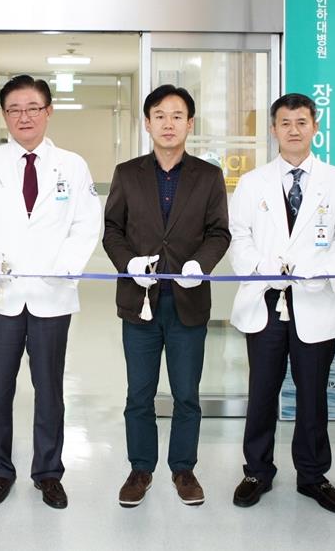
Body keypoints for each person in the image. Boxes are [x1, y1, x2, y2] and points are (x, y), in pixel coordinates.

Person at [0, 74, 101, 509]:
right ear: (4, 115)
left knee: (50, 389)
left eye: (32, 108)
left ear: (48, 111)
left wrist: (65, 267)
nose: (24, 117)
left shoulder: (72, 166)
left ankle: (48, 473)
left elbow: (87, 224)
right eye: (15, 110)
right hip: (0, 294)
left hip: (51, 295)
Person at [228, 93, 335, 514]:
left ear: (315, 127)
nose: (293, 130)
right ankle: (257, 471)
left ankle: (313, 475)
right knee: (262, 391)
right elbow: (238, 236)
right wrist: (263, 267)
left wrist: (322, 272)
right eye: (285, 123)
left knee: (313, 393)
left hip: (315, 298)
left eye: (301, 122)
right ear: (273, 130)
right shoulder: (253, 182)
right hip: (266, 298)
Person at [102, 84, 229, 508]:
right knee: (139, 393)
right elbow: (113, 230)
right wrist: (129, 264)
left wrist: (200, 265)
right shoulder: (127, 173)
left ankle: (183, 469)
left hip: (188, 302)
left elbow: (218, 232)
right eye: (160, 115)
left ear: (190, 123)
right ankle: (140, 469)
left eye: (177, 116)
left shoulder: (208, 176)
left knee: (186, 393)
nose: (168, 124)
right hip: (139, 301)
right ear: (147, 123)